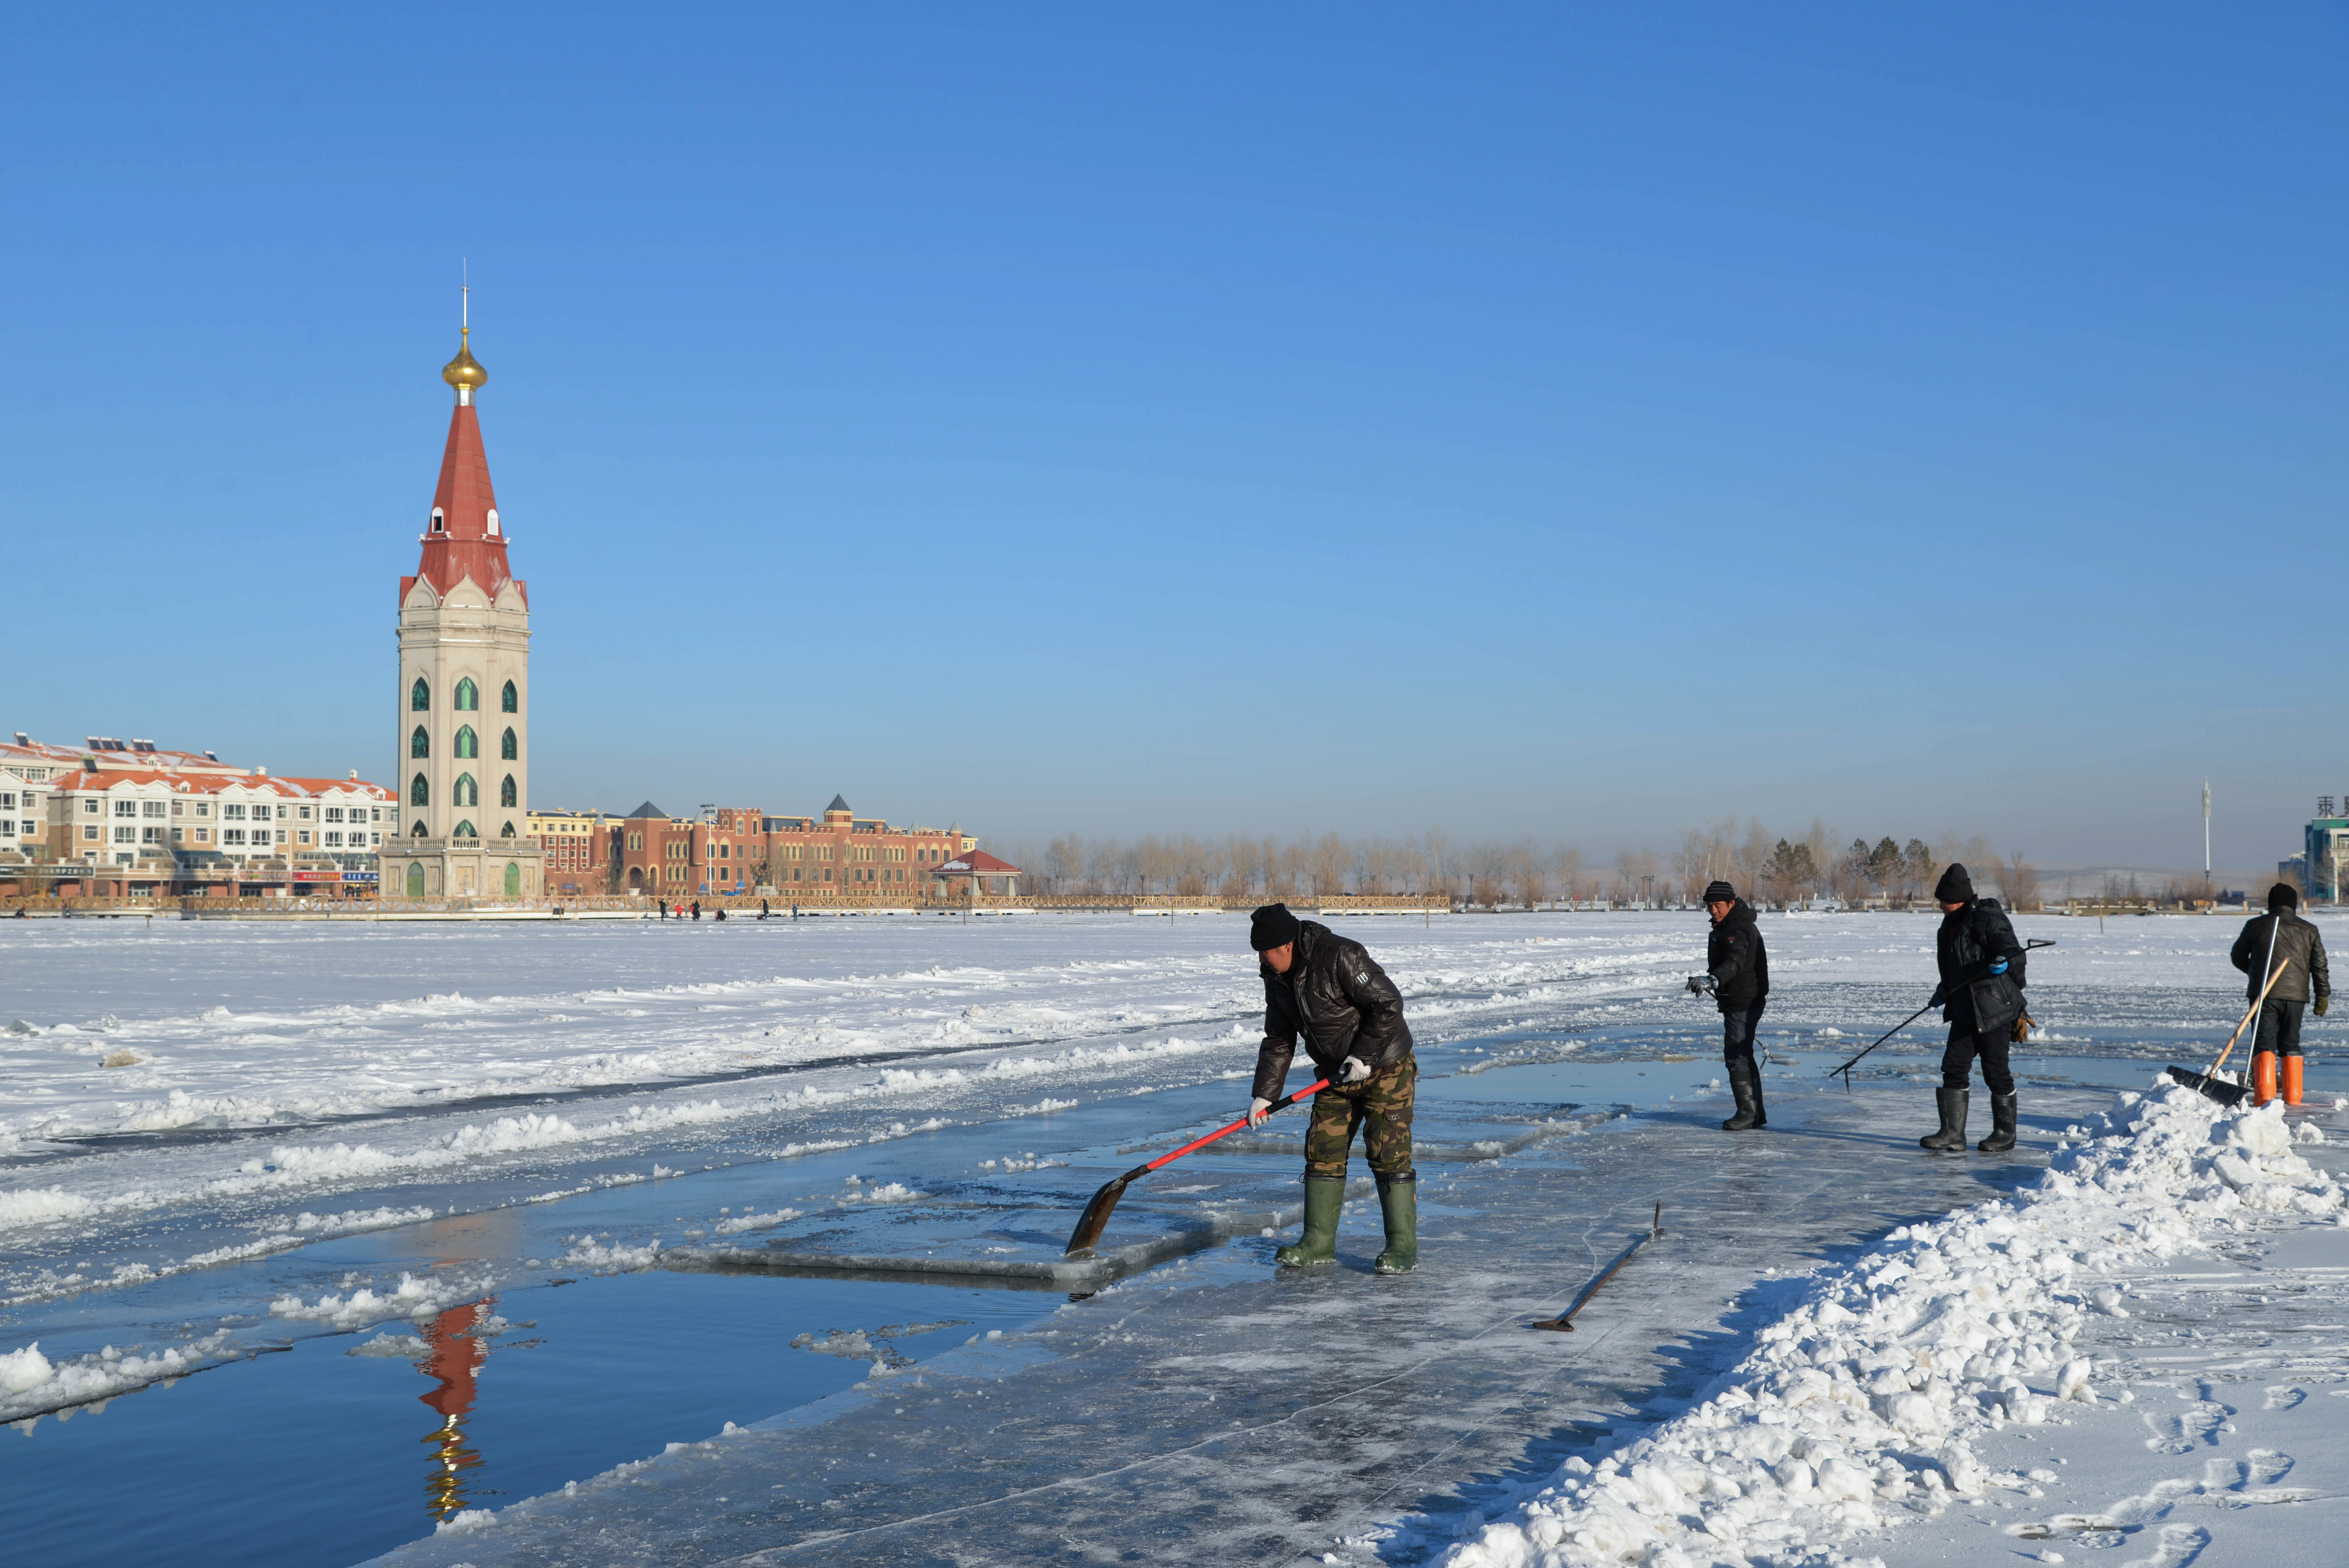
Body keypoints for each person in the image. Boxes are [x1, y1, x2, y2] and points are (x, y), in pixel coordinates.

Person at [1246, 901, 1419, 1274]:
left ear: (1287, 946)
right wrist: (1265, 1094)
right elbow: (1279, 1036)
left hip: (1385, 1063)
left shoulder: (1341, 954)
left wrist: (1363, 1056)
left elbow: (1389, 1004)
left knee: (1388, 1151)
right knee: (1322, 1149)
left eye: (1266, 953)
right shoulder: (1274, 974)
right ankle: (1318, 1241)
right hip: (1334, 1073)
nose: (1262, 960)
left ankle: (1402, 1247)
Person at [1920, 864, 2030, 1154]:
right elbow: (1954, 966)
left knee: (1996, 1071)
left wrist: (2005, 960)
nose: (1941, 906)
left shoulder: (1987, 919)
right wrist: (1945, 989)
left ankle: (2005, 1134)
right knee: (1954, 1067)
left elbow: (2013, 951)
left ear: (1958, 898)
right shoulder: (1949, 926)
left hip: (1995, 1009)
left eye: (1944, 900)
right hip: (1966, 1009)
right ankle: (1952, 1135)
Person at [2230, 882, 2329, 1107]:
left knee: (2264, 1044)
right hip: (2296, 997)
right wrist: (2322, 996)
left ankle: (2264, 1099)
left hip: (2263, 996)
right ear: (2293, 905)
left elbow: (2238, 957)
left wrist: (2257, 976)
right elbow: (2320, 967)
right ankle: (2293, 1099)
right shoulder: (2308, 929)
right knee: (2291, 1043)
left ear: (2271, 903)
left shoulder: (2256, 925)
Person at [1685, 879, 1769, 1130]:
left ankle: (1747, 1113)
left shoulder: (1737, 929)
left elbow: (1735, 961)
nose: (1714, 911)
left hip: (1744, 1000)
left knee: (1738, 1057)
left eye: (1719, 906)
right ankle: (1755, 1113)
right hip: (1739, 997)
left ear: (1732, 903)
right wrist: (1712, 979)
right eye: (1710, 906)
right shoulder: (1729, 925)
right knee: (1743, 1056)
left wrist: (1714, 979)